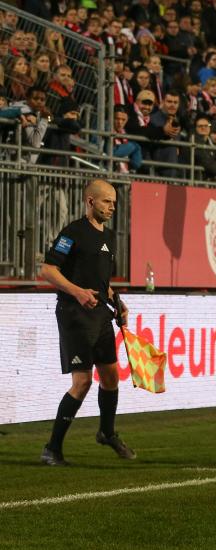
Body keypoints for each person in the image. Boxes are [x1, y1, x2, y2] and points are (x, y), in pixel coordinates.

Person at [39, 180, 135, 466]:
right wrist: (78, 292)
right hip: (75, 314)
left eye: (114, 203)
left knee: (110, 378)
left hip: (100, 315)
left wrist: (117, 301)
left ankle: (107, 433)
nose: (112, 207)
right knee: (81, 383)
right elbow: (47, 269)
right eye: (107, 202)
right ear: (90, 201)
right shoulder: (73, 233)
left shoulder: (108, 237)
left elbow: (101, 283)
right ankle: (51, 448)